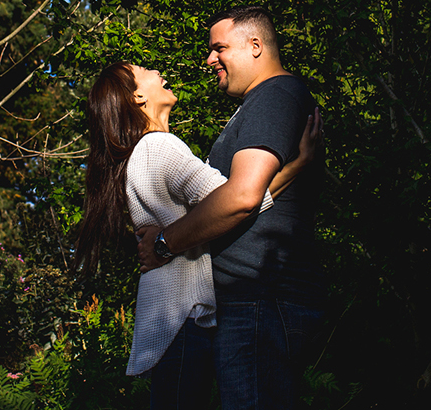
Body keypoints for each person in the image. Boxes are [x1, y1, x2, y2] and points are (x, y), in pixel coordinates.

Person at [76, 60, 320, 410]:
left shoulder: (141, 153)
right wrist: (296, 167)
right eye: (144, 70)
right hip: (182, 316)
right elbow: (234, 199)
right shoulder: (160, 147)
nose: (157, 71)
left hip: (168, 316)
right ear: (138, 97)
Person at [137, 6, 324, 410]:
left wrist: (165, 243)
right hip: (251, 302)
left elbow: (242, 196)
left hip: (260, 299)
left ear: (255, 46)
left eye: (219, 47)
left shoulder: (275, 95)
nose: (209, 59)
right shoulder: (260, 102)